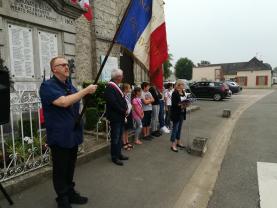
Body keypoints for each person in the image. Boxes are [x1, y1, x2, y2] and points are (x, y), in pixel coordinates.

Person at [40, 57, 98, 208]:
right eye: (63, 65)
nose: (67, 67)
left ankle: (70, 192)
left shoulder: (69, 86)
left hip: (73, 134)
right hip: (60, 135)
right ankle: (62, 199)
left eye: (67, 64)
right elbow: (63, 102)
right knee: (60, 168)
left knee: (70, 166)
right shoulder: (48, 86)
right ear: (54, 68)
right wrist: (85, 91)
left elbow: (73, 100)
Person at [105, 69, 129, 166]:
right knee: (115, 138)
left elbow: (123, 99)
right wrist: (124, 111)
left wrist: (126, 108)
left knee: (119, 137)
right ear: (118, 77)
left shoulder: (117, 86)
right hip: (115, 116)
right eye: (122, 76)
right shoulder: (110, 87)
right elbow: (113, 103)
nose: (123, 77)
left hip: (120, 115)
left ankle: (118, 153)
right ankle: (114, 156)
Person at [169, 80, 190, 152]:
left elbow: (184, 101)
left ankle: (178, 142)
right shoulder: (175, 93)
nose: (183, 85)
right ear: (178, 86)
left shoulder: (183, 92)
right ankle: (173, 145)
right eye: (181, 84)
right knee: (175, 129)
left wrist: (187, 103)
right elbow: (174, 104)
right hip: (176, 113)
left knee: (179, 129)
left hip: (182, 112)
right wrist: (182, 104)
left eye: (183, 84)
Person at [122, 83, 134, 150]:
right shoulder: (123, 96)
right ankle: (124, 143)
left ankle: (127, 142)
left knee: (126, 129)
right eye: (129, 88)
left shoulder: (127, 96)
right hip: (125, 114)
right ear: (126, 89)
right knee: (124, 129)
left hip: (128, 113)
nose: (130, 89)